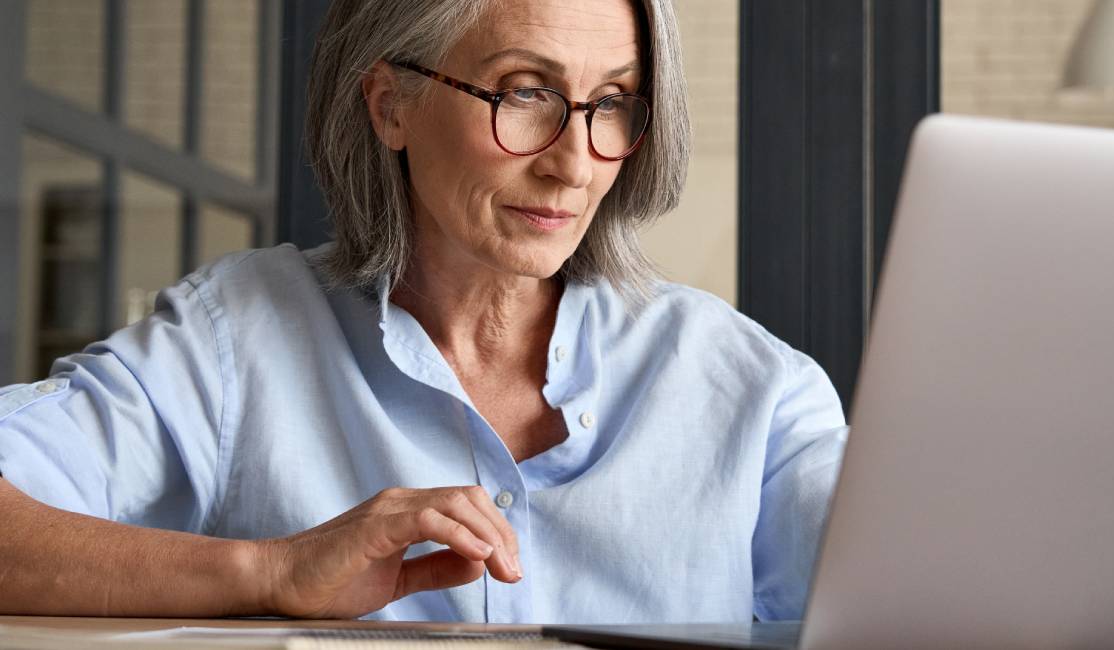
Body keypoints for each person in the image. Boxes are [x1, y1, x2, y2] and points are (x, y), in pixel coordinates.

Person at [0, 0, 846, 624]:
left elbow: (931, 601)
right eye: (524, 93)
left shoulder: (757, 391)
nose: (575, 164)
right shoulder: (234, 342)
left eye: (613, 103)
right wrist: (272, 571)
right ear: (390, 104)